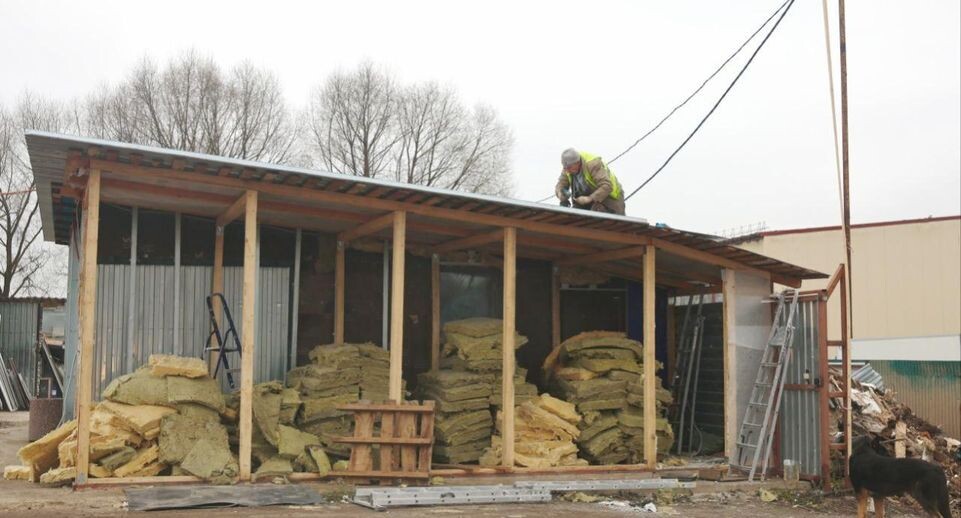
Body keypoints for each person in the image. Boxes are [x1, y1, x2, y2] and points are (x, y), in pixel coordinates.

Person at [554, 148, 625, 215]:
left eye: (569, 167)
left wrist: (589, 198)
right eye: (565, 168)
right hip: (588, 200)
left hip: (610, 198)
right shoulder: (567, 168)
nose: (567, 171)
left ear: (577, 163)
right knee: (575, 216)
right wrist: (560, 194)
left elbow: (607, 186)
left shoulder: (592, 164)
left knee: (612, 220)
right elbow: (561, 183)